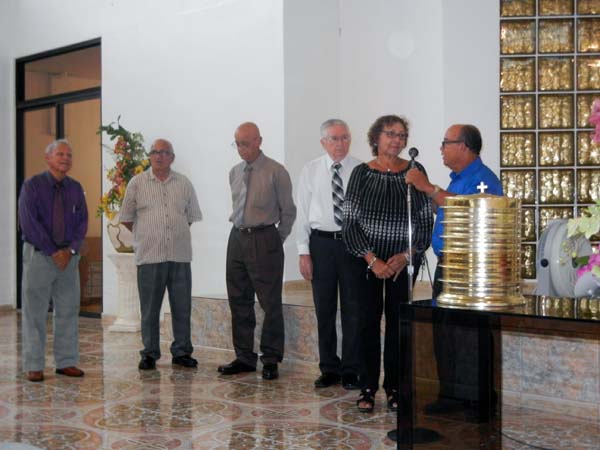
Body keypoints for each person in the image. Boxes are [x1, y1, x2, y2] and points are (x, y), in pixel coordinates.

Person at [406, 123, 503, 420]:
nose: (442, 148)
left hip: (471, 266)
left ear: (464, 146)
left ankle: (479, 399)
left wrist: (428, 187)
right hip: (448, 264)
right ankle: (450, 393)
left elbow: (469, 209)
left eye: (446, 142)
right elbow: (448, 207)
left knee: (470, 332)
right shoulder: (457, 179)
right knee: (444, 330)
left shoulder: (484, 179)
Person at [343, 115, 434, 412]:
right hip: (366, 263)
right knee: (366, 323)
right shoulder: (361, 173)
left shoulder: (414, 172)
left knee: (398, 325)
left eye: (402, 135)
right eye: (390, 134)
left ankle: (395, 386)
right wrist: (372, 260)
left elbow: (423, 222)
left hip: (401, 264)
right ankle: (367, 386)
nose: (397, 140)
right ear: (376, 137)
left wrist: (405, 256)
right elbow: (350, 223)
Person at [218, 122, 296, 381]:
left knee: (269, 301)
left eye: (245, 143)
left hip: (264, 238)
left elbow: (288, 211)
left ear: (258, 141)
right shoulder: (234, 172)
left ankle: (271, 358)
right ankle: (244, 357)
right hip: (237, 237)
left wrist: (275, 239)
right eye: (237, 143)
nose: (240, 148)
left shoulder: (276, 171)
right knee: (238, 298)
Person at [120, 138, 203, 370]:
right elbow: (126, 218)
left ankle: (182, 352)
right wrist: (148, 234)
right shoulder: (137, 183)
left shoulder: (184, 183)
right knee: (149, 309)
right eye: (155, 152)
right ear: (149, 156)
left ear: (172, 157)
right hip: (150, 256)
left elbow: (190, 216)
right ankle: (149, 353)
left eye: (164, 152)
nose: (158, 156)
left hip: (179, 256)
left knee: (182, 307)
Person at [296, 119, 363, 390]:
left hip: (351, 245)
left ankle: (351, 368)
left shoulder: (360, 169)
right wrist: (303, 252)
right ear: (323, 142)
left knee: (353, 309)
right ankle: (329, 367)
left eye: (345, 138)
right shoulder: (310, 170)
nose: (340, 144)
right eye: (334, 139)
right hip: (321, 245)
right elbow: (302, 211)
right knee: (324, 309)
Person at [18, 139, 88, 382]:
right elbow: (28, 222)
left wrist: (69, 252)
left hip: (68, 260)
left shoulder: (76, 188)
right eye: (60, 154)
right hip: (39, 256)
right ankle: (34, 365)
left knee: (68, 310)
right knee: (34, 312)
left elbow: (82, 223)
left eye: (69, 155)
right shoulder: (32, 186)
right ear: (48, 158)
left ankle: (66, 362)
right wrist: (52, 251)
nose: (65, 158)